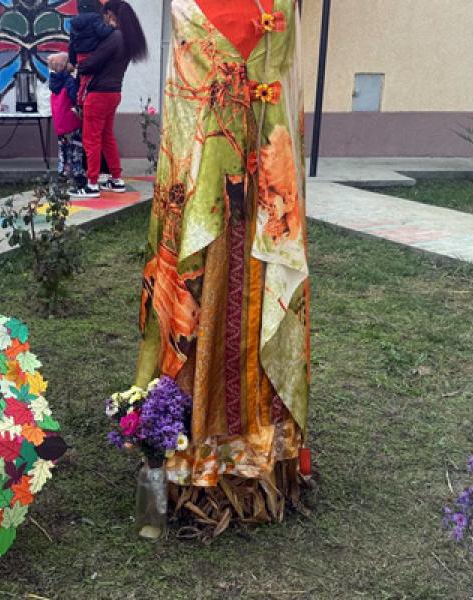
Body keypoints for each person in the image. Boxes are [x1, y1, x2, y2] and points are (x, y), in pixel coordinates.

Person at [133, 0, 310, 528]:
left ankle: (249, 455)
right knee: (207, 308)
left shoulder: (276, 7)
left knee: (246, 311)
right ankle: (196, 449)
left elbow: (282, 106)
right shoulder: (191, 8)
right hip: (210, 206)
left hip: (258, 203)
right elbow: (183, 114)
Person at [69, 0, 147, 199]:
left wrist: (78, 67)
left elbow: (92, 63)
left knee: (91, 139)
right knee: (106, 137)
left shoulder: (115, 37)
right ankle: (116, 179)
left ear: (111, 15)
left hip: (98, 94)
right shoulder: (127, 38)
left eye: (105, 16)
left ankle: (92, 184)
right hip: (114, 93)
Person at [48, 53, 86, 186]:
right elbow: (75, 97)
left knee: (63, 148)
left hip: (60, 122)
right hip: (72, 120)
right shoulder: (69, 81)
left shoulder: (53, 81)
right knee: (76, 147)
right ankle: (77, 173)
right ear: (65, 65)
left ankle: (63, 172)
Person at [67, 0, 113, 108]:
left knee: (83, 78)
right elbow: (103, 33)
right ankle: (81, 102)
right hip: (92, 53)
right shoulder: (95, 18)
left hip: (80, 55)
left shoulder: (74, 22)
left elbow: (71, 43)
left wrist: (72, 61)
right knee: (91, 79)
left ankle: (79, 100)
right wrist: (111, 27)